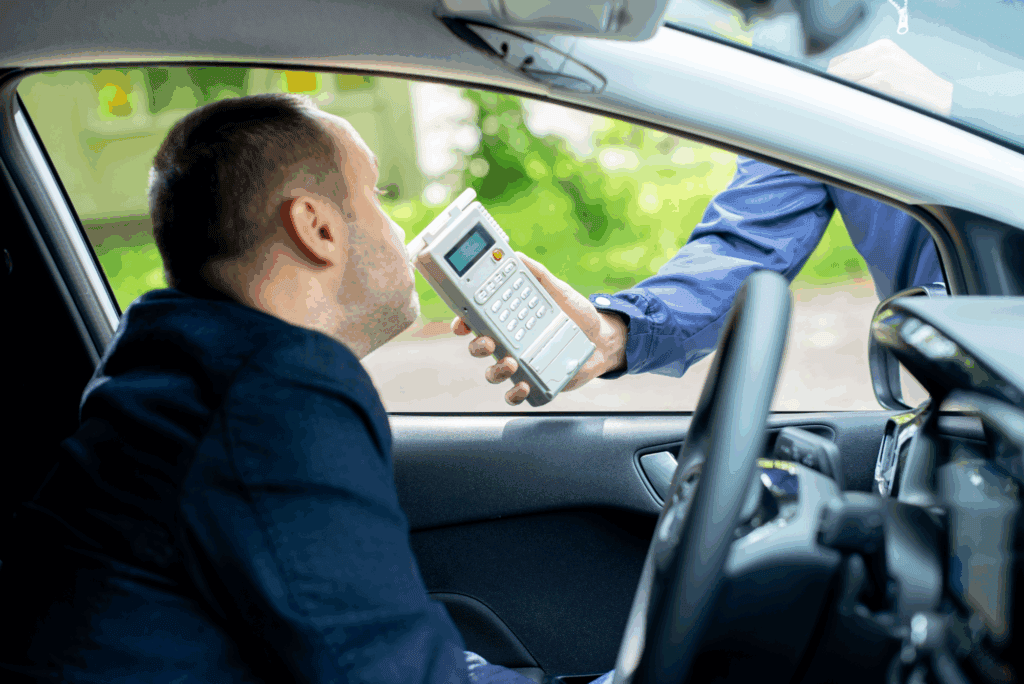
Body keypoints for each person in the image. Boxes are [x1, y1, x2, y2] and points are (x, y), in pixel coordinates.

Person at [0, 94, 591, 684]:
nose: (398, 227)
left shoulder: (174, 379)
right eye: (378, 195)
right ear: (317, 227)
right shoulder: (270, 401)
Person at [454, 39, 948, 406]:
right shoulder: (829, 48)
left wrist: (959, 111)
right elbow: (748, 243)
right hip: (957, 393)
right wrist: (616, 332)